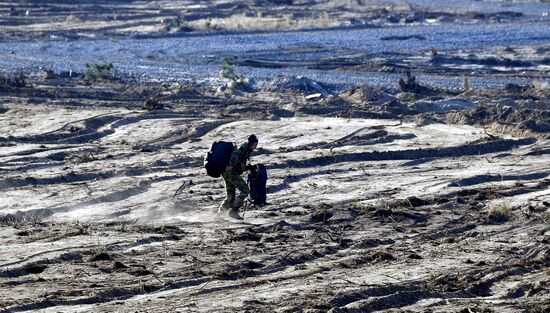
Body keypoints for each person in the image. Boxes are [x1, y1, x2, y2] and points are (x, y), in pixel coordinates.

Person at [219, 134, 258, 219]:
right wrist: (230, 166)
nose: (255, 147)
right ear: (251, 143)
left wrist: (248, 167)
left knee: (230, 197)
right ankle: (234, 211)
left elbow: (239, 164)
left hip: (226, 173)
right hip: (230, 173)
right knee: (245, 190)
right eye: (255, 145)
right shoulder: (243, 148)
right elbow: (234, 155)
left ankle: (219, 215)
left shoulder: (246, 149)